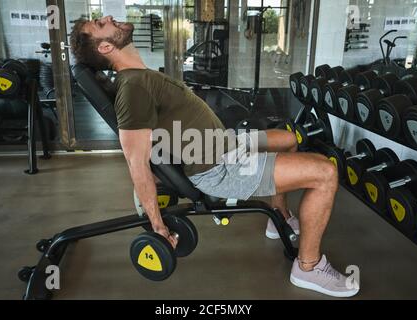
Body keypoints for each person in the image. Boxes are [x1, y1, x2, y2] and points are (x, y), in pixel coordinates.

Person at [69, 16, 359, 297]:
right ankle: (308, 267)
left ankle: (279, 217)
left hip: (224, 144)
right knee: (325, 173)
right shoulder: (132, 88)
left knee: (287, 138)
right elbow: (137, 162)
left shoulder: (140, 76)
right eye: (99, 24)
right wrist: (158, 226)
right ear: (106, 48)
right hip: (221, 168)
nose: (107, 17)